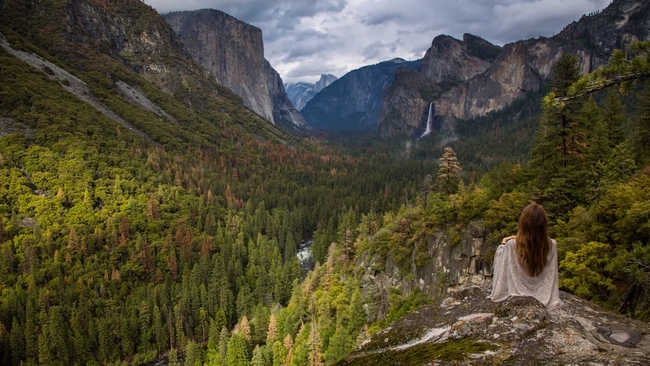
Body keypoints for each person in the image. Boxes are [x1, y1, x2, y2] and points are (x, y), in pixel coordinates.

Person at [488, 203, 562, 309]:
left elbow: (502, 269)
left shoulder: (512, 245)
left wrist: (503, 244)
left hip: (516, 295)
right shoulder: (552, 245)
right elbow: (551, 273)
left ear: (523, 223)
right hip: (544, 297)